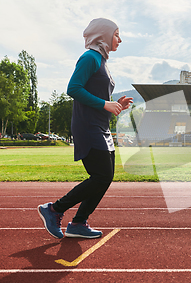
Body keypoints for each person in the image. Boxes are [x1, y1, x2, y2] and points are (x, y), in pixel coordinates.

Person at [38, 18, 133, 239]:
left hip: (101, 126)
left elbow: (97, 96)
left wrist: (115, 104)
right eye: (117, 34)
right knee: (101, 175)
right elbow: (73, 88)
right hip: (88, 127)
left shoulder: (101, 60)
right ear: (103, 35)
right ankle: (53, 210)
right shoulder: (90, 57)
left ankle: (79, 223)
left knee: (105, 176)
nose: (120, 39)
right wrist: (104, 104)